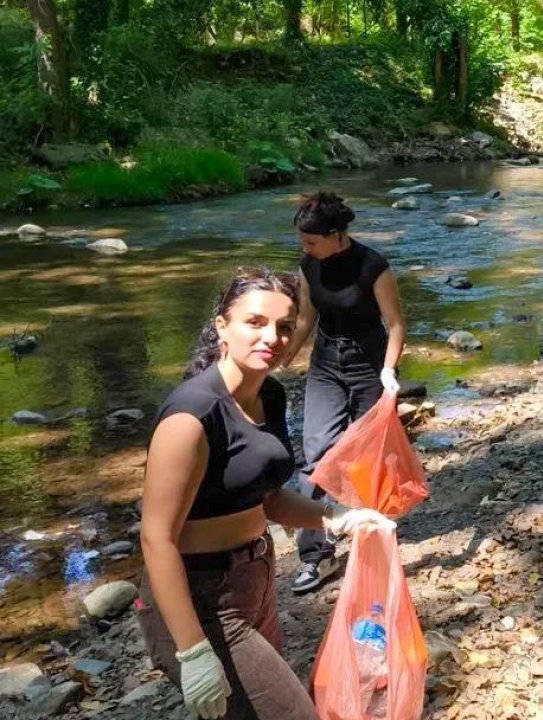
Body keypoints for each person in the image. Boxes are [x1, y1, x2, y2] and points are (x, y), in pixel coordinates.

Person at [137, 267, 395, 720]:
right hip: (198, 597)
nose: (271, 337)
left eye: (284, 326)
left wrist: (337, 516)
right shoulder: (192, 414)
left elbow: (270, 498)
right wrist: (194, 652)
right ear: (222, 327)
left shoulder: (269, 395)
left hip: (255, 578)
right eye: (255, 322)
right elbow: (156, 538)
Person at [277, 192, 407, 594]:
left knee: (370, 457)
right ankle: (316, 556)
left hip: (369, 363)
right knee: (316, 453)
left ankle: (375, 536)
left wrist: (388, 370)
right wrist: (280, 361)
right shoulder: (308, 266)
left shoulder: (373, 266)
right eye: (302, 241)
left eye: (312, 241)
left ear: (336, 235)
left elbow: (396, 324)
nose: (305, 248)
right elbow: (305, 319)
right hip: (326, 363)